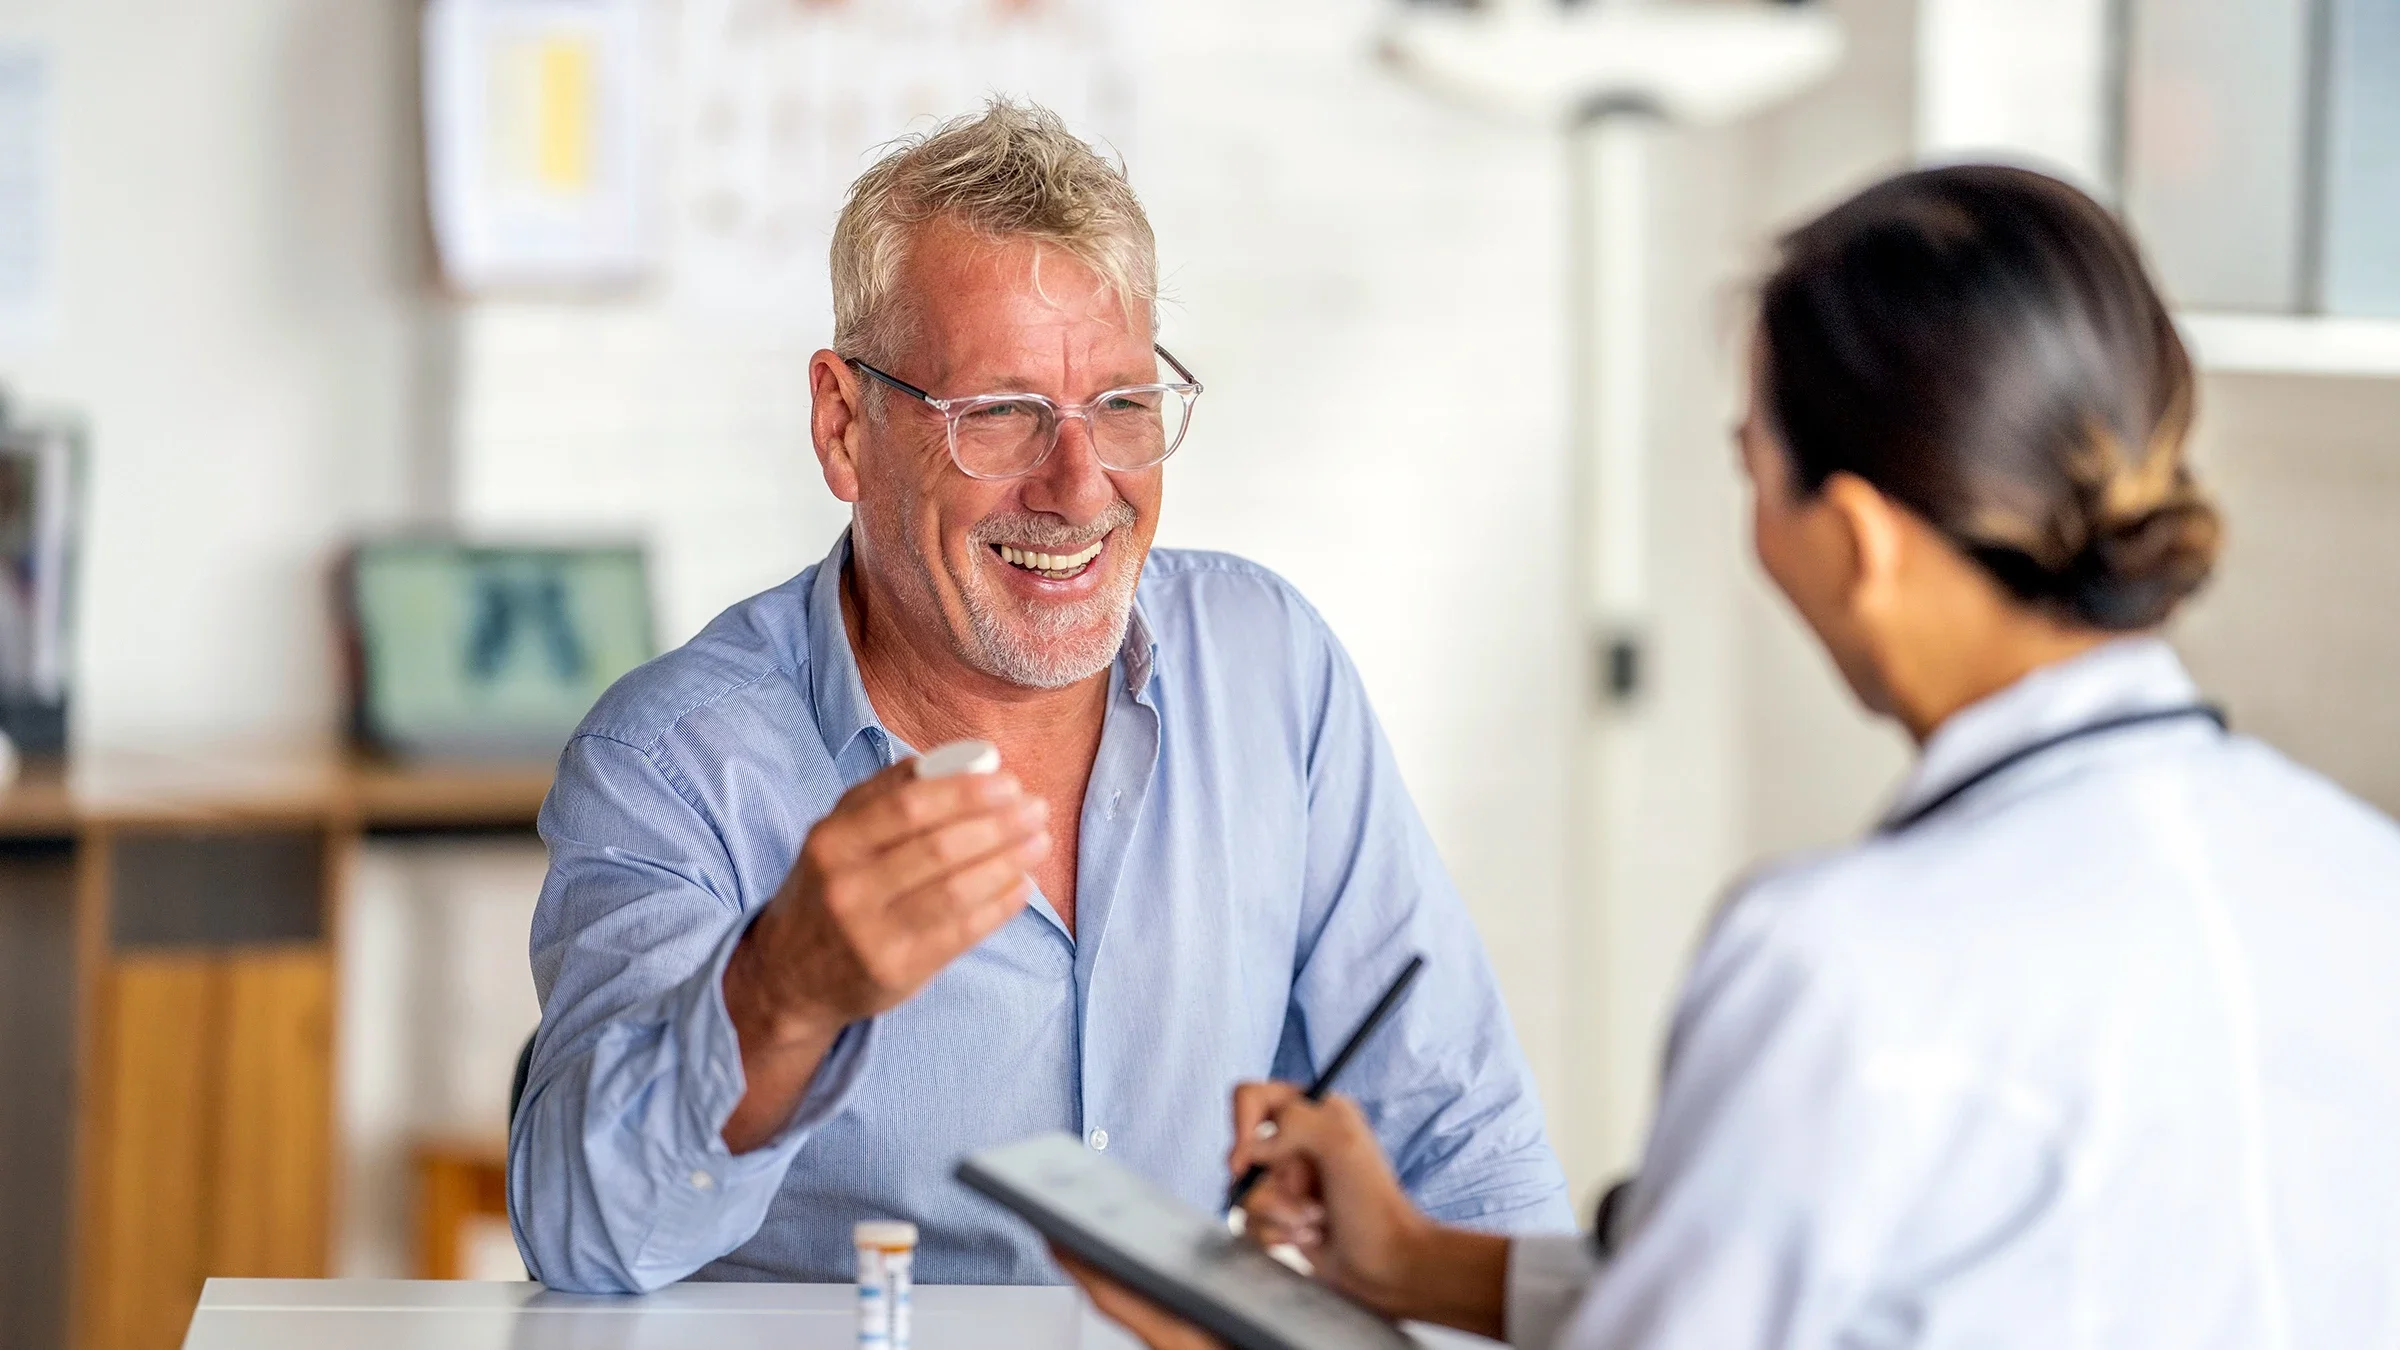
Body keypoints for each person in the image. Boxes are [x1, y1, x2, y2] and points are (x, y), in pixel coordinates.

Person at [1069, 165, 2400, 1348]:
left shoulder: (1839, 967)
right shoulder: (2361, 878)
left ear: (1861, 540)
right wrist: (1420, 1263)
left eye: (1751, 462)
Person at [506, 99, 1573, 1294]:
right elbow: (585, 1240)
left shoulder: (1271, 670)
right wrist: (781, 994)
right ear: (844, 424)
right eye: (999, 414)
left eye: (1121, 406)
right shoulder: (675, 762)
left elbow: (1465, 1146)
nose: (1078, 487)